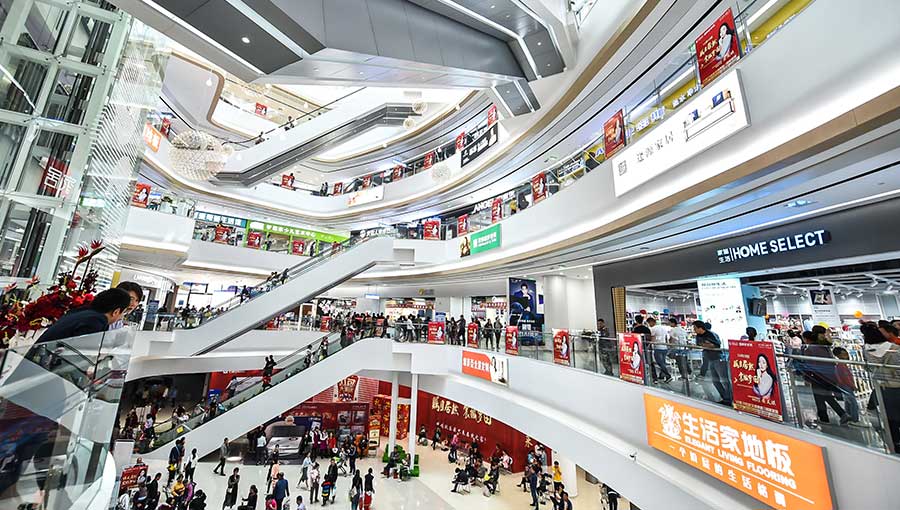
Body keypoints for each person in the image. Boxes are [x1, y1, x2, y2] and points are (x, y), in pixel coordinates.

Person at [35, 288, 132, 344]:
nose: (121, 317)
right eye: (123, 313)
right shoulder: (96, 320)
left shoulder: (85, 312)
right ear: (116, 312)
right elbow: (79, 353)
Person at [863, 321, 900, 450]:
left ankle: (895, 443)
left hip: (883, 387)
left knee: (890, 418)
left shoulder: (867, 351)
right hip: (897, 384)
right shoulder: (894, 348)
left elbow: (868, 368)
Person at [799, 330, 848, 426]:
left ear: (806, 339)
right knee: (821, 396)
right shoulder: (824, 347)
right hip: (829, 375)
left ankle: (837, 415)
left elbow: (809, 365)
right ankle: (825, 417)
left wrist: (807, 376)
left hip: (817, 376)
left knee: (821, 396)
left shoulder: (809, 350)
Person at [692, 321, 731, 405]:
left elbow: (716, 345)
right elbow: (700, 344)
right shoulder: (698, 336)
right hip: (709, 359)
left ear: (700, 328)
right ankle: (725, 397)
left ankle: (730, 398)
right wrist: (707, 344)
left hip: (718, 358)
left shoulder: (711, 335)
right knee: (715, 381)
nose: (694, 330)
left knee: (724, 380)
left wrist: (707, 345)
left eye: (695, 328)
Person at [832, 347, 864, 426]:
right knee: (853, 403)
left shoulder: (841, 365)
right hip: (846, 386)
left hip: (844, 386)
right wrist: (853, 385)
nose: (846, 355)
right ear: (839, 355)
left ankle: (849, 417)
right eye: (844, 354)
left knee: (848, 402)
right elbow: (846, 378)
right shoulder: (841, 366)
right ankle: (854, 419)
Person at [647, 317, 672, 383]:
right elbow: (666, 338)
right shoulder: (663, 328)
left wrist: (649, 345)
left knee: (660, 363)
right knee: (663, 362)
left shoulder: (653, 329)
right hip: (664, 347)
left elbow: (652, 338)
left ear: (651, 322)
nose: (649, 325)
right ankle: (662, 375)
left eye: (649, 323)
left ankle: (668, 375)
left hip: (658, 347)